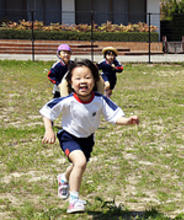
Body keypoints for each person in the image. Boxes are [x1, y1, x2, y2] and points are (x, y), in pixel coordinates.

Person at [40, 59, 139, 214]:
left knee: (78, 165)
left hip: (87, 139)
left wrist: (128, 121)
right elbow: (47, 112)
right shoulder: (68, 101)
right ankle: (74, 201)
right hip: (69, 136)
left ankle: (64, 178)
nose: (83, 81)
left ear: (94, 80)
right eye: (78, 78)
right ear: (71, 82)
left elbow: (114, 117)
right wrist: (48, 130)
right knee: (80, 162)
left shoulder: (100, 101)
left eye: (87, 77)